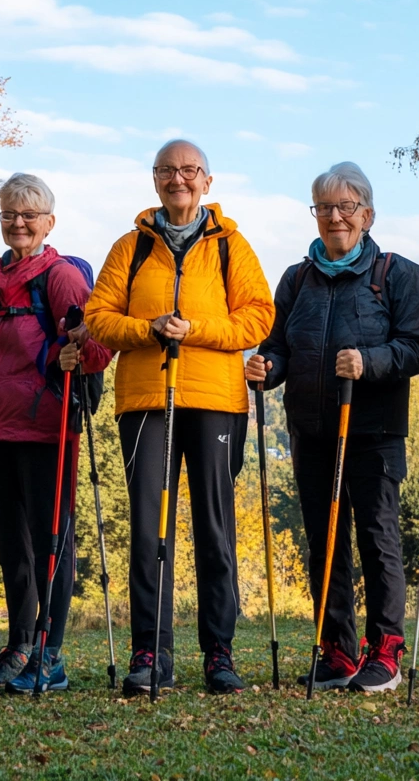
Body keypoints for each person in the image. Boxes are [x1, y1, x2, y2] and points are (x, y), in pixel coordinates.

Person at [87, 139, 275, 696]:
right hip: (146, 401)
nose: (179, 179)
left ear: (207, 182)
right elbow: (99, 317)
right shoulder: (130, 247)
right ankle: (151, 652)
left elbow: (258, 317)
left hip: (216, 398)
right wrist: (147, 330)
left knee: (215, 530)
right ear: (154, 179)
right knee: (150, 532)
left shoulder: (230, 246)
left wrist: (195, 330)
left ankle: (219, 652)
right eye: (168, 170)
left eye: (190, 170)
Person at [246, 161, 419, 693]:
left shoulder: (397, 273)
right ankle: (337, 651)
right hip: (312, 429)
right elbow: (280, 348)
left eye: (345, 207)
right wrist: (267, 369)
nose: (334, 217)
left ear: (367, 215)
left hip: (374, 430)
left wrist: (368, 362)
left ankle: (385, 650)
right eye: (324, 207)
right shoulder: (296, 277)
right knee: (323, 543)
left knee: (377, 540)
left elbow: (418, 347)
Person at [0, 173, 112, 693]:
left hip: (47, 425)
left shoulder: (61, 276)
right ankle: (18, 643)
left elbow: (96, 347)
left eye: (29, 215)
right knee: (11, 544)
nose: (18, 222)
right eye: (9, 213)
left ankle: (49, 653)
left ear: (49, 222)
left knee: (50, 541)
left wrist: (71, 351)